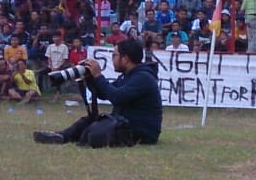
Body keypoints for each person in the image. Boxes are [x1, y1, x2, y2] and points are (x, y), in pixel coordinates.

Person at [33, 38, 162, 148]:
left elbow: (116, 97)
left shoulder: (143, 77)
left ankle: (74, 138)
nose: (112, 59)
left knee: (98, 129)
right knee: (91, 119)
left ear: (125, 58)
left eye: (114, 55)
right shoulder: (129, 75)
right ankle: (62, 137)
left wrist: (98, 76)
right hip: (127, 126)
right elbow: (104, 94)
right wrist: (90, 78)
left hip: (141, 132)